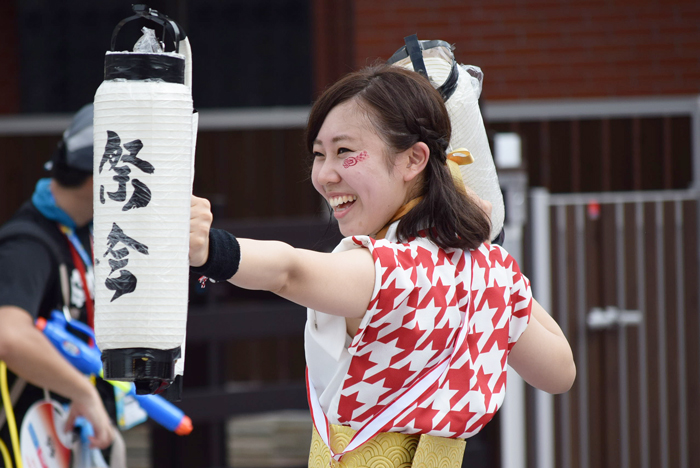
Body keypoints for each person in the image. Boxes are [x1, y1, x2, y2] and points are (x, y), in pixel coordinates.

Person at [189, 65, 575, 467]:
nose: (323, 175)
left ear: (413, 160)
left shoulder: (388, 269)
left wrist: (210, 249)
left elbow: (289, 270)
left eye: (344, 152)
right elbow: (560, 372)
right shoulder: (490, 272)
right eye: (319, 154)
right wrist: (491, 261)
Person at [0, 104, 123, 465]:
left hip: (77, 434)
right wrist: (82, 391)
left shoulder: (84, 229)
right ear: (97, 178)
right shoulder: (28, 244)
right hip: (29, 443)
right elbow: (9, 334)